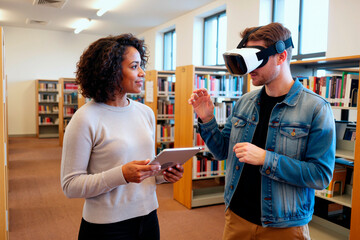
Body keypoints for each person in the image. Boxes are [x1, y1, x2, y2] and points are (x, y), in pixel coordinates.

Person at [188, 22, 335, 239]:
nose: (249, 68)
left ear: (281, 57)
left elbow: (320, 176)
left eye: (256, 58)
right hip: (237, 216)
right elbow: (222, 152)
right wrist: (207, 118)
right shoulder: (245, 102)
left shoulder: (316, 108)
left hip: (283, 225)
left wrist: (267, 159)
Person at [61, 33, 184, 240]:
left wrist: (163, 175)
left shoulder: (146, 113)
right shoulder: (85, 118)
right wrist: (122, 175)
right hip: (106, 226)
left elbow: (147, 169)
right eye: (134, 66)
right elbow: (70, 185)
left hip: (149, 217)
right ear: (111, 71)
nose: (143, 73)